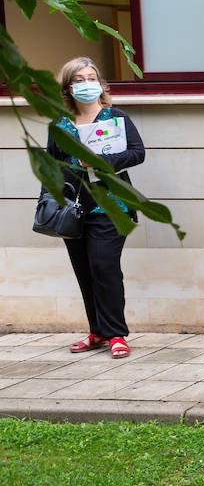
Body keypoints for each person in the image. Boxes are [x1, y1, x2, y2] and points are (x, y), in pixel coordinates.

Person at [49, 57, 145, 359]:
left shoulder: (115, 117)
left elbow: (137, 153)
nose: (86, 84)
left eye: (91, 77)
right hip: (74, 210)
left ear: (100, 83)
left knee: (104, 267)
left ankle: (117, 334)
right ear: (68, 87)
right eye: (79, 79)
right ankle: (98, 332)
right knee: (86, 271)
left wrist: (101, 162)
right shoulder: (60, 125)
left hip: (112, 207)